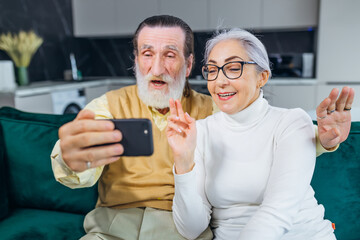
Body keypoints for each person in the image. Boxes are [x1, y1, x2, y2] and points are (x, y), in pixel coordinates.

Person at [50, 15, 353, 240]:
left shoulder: (215, 110)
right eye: (147, 54)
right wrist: (72, 159)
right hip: (112, 227)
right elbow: (77, 159)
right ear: (136, 60)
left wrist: (324, 139)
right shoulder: (106, 106)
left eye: (169, 55)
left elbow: (275, 139)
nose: (156, 68)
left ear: (188, 63)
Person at [166, 28, 354, 240]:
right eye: (212, 70)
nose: (219, 81)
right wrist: (183, 162)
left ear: (262, 77)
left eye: (233, 68)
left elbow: (278, 211)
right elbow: (191, 229)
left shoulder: (291, 122)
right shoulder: (200, 131)